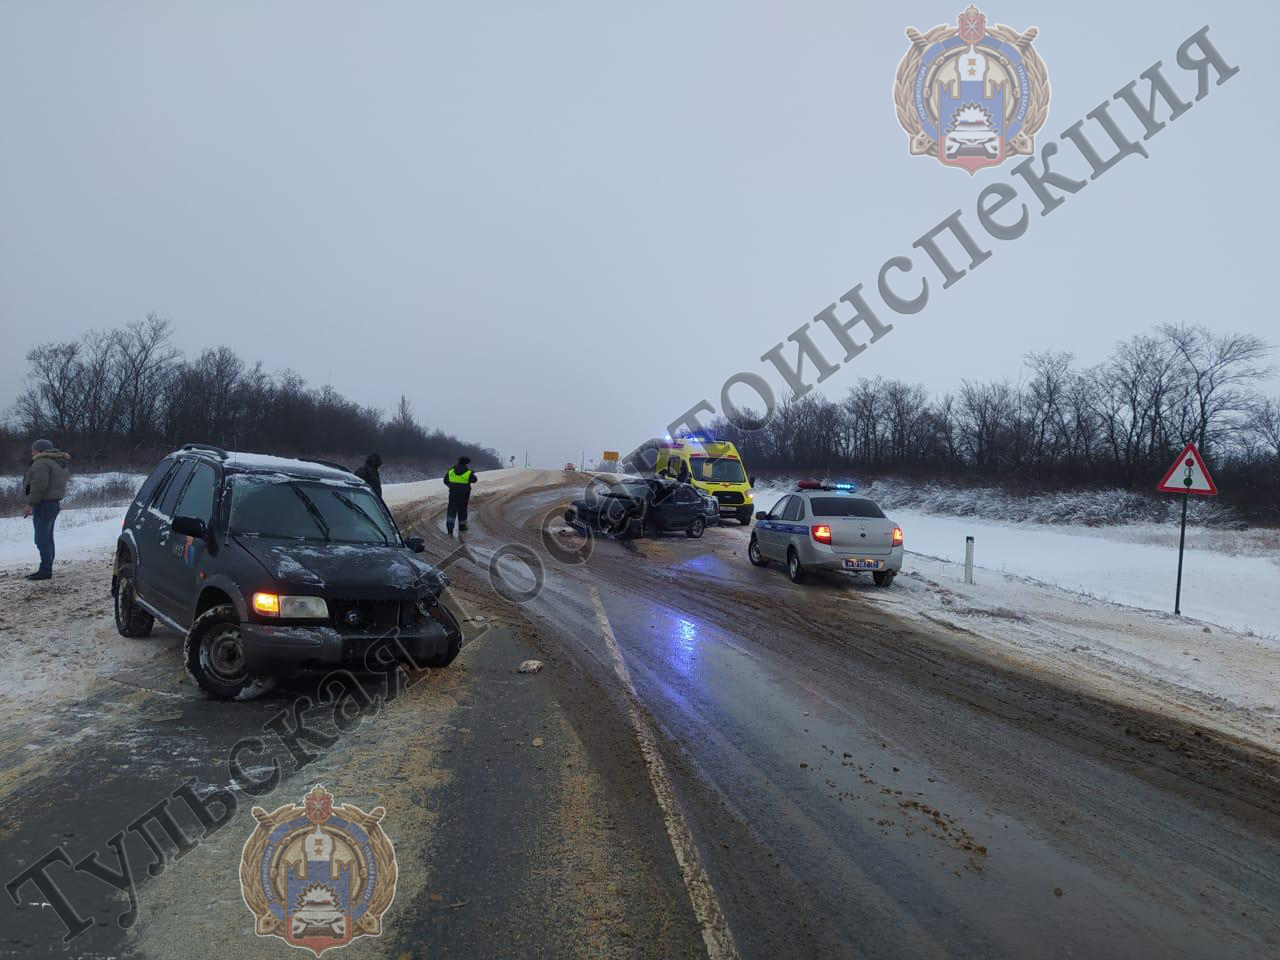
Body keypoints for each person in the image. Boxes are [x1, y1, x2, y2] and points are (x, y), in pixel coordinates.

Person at [22, 439, 71, 581]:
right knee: (48, 537)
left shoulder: (41, 462)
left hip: (43, 504)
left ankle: (45, 571)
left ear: (40, 450)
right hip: (53, 504)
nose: (32, 452)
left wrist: (30, 504)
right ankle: (46, 568)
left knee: (41, 538)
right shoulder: (57, 462)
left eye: (33, 450)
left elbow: (39, 485)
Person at [443, 456, 478, 535]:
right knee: (462, 510)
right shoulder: (468, 472)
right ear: (466, 463)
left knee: (451, 511)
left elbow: (445, 480)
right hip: (464, 495)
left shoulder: (451, 470)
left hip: (453, 494)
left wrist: (451, 486)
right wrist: (472, 473)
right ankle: (462, 528)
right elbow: (474, 480)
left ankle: (450, 530)